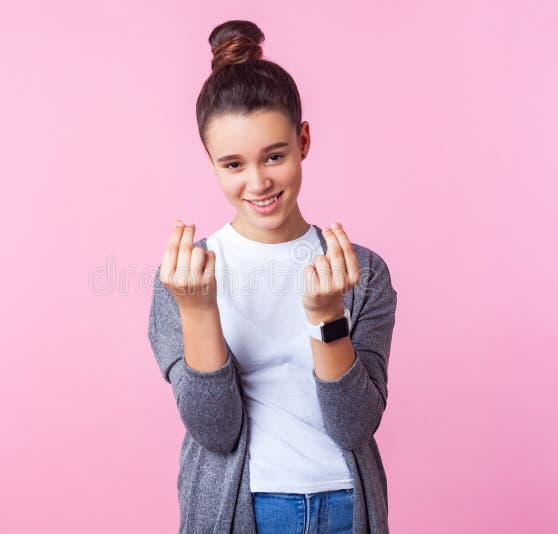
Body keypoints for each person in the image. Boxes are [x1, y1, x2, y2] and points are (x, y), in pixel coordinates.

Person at [147, 19, 398, 533]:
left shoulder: (362, 272)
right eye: (233, 164)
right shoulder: (184, 276)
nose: (257, 183)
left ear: (303, 141)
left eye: (275, 156)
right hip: (243, 510)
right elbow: (215, 431)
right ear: (212, 163)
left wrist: (328, 317)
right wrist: (197, 309)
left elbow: (355, 426)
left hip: (344, 508)